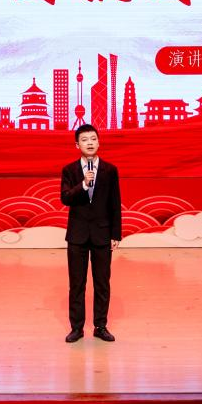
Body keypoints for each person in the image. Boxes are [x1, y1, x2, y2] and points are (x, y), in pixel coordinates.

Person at [60, 124, 121, 342]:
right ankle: (76, 328)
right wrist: (84, 185)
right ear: (77, 145)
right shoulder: (69, 170)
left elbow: (115, 203)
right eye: (85, 140)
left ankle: (100, 326)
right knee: (77, 284)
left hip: (102, 234)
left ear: (99, 142)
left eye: (93, 139)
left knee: (102, 283)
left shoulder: (110, 170)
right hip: (77, 235)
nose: (90, 143)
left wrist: (116, 234)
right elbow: (65, 198)